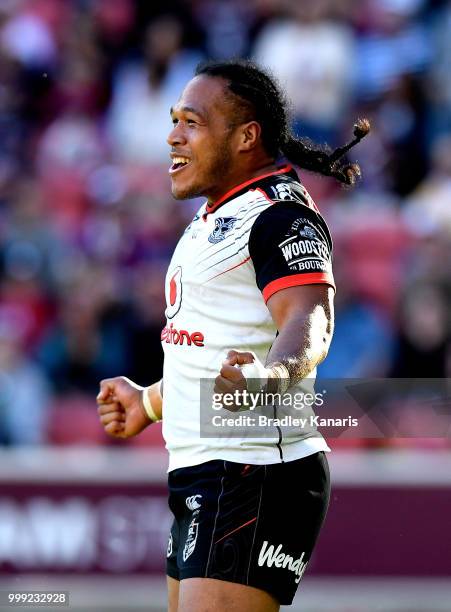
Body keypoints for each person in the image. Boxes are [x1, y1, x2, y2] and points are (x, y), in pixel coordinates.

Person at [96, 59, 369, 612]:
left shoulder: (279, 216)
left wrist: (271, 375)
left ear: (246, 136)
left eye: (191, 122)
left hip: (254, 472)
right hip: (205, 472)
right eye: (174, 120)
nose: (172, 135)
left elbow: (311, 319)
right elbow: (212, 354)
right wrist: (148, 402)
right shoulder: (210, 220)